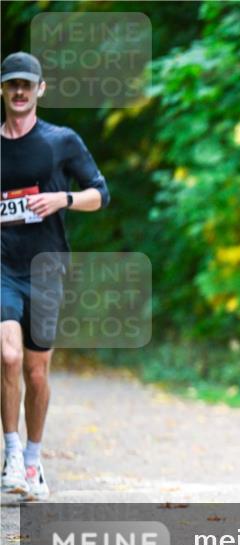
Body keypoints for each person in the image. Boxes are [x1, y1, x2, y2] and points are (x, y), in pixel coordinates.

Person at [0, 52, 110, 500]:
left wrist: (63, 199)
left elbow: (100, 194)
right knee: (7, 356)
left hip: (46, 266)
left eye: (28, 84)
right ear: (3, 90)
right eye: (12, 85)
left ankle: (32, 460)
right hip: (2, 265)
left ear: (40, 89)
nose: (20, 91)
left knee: (36, 370)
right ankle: (10, 454)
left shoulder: (61, 141)